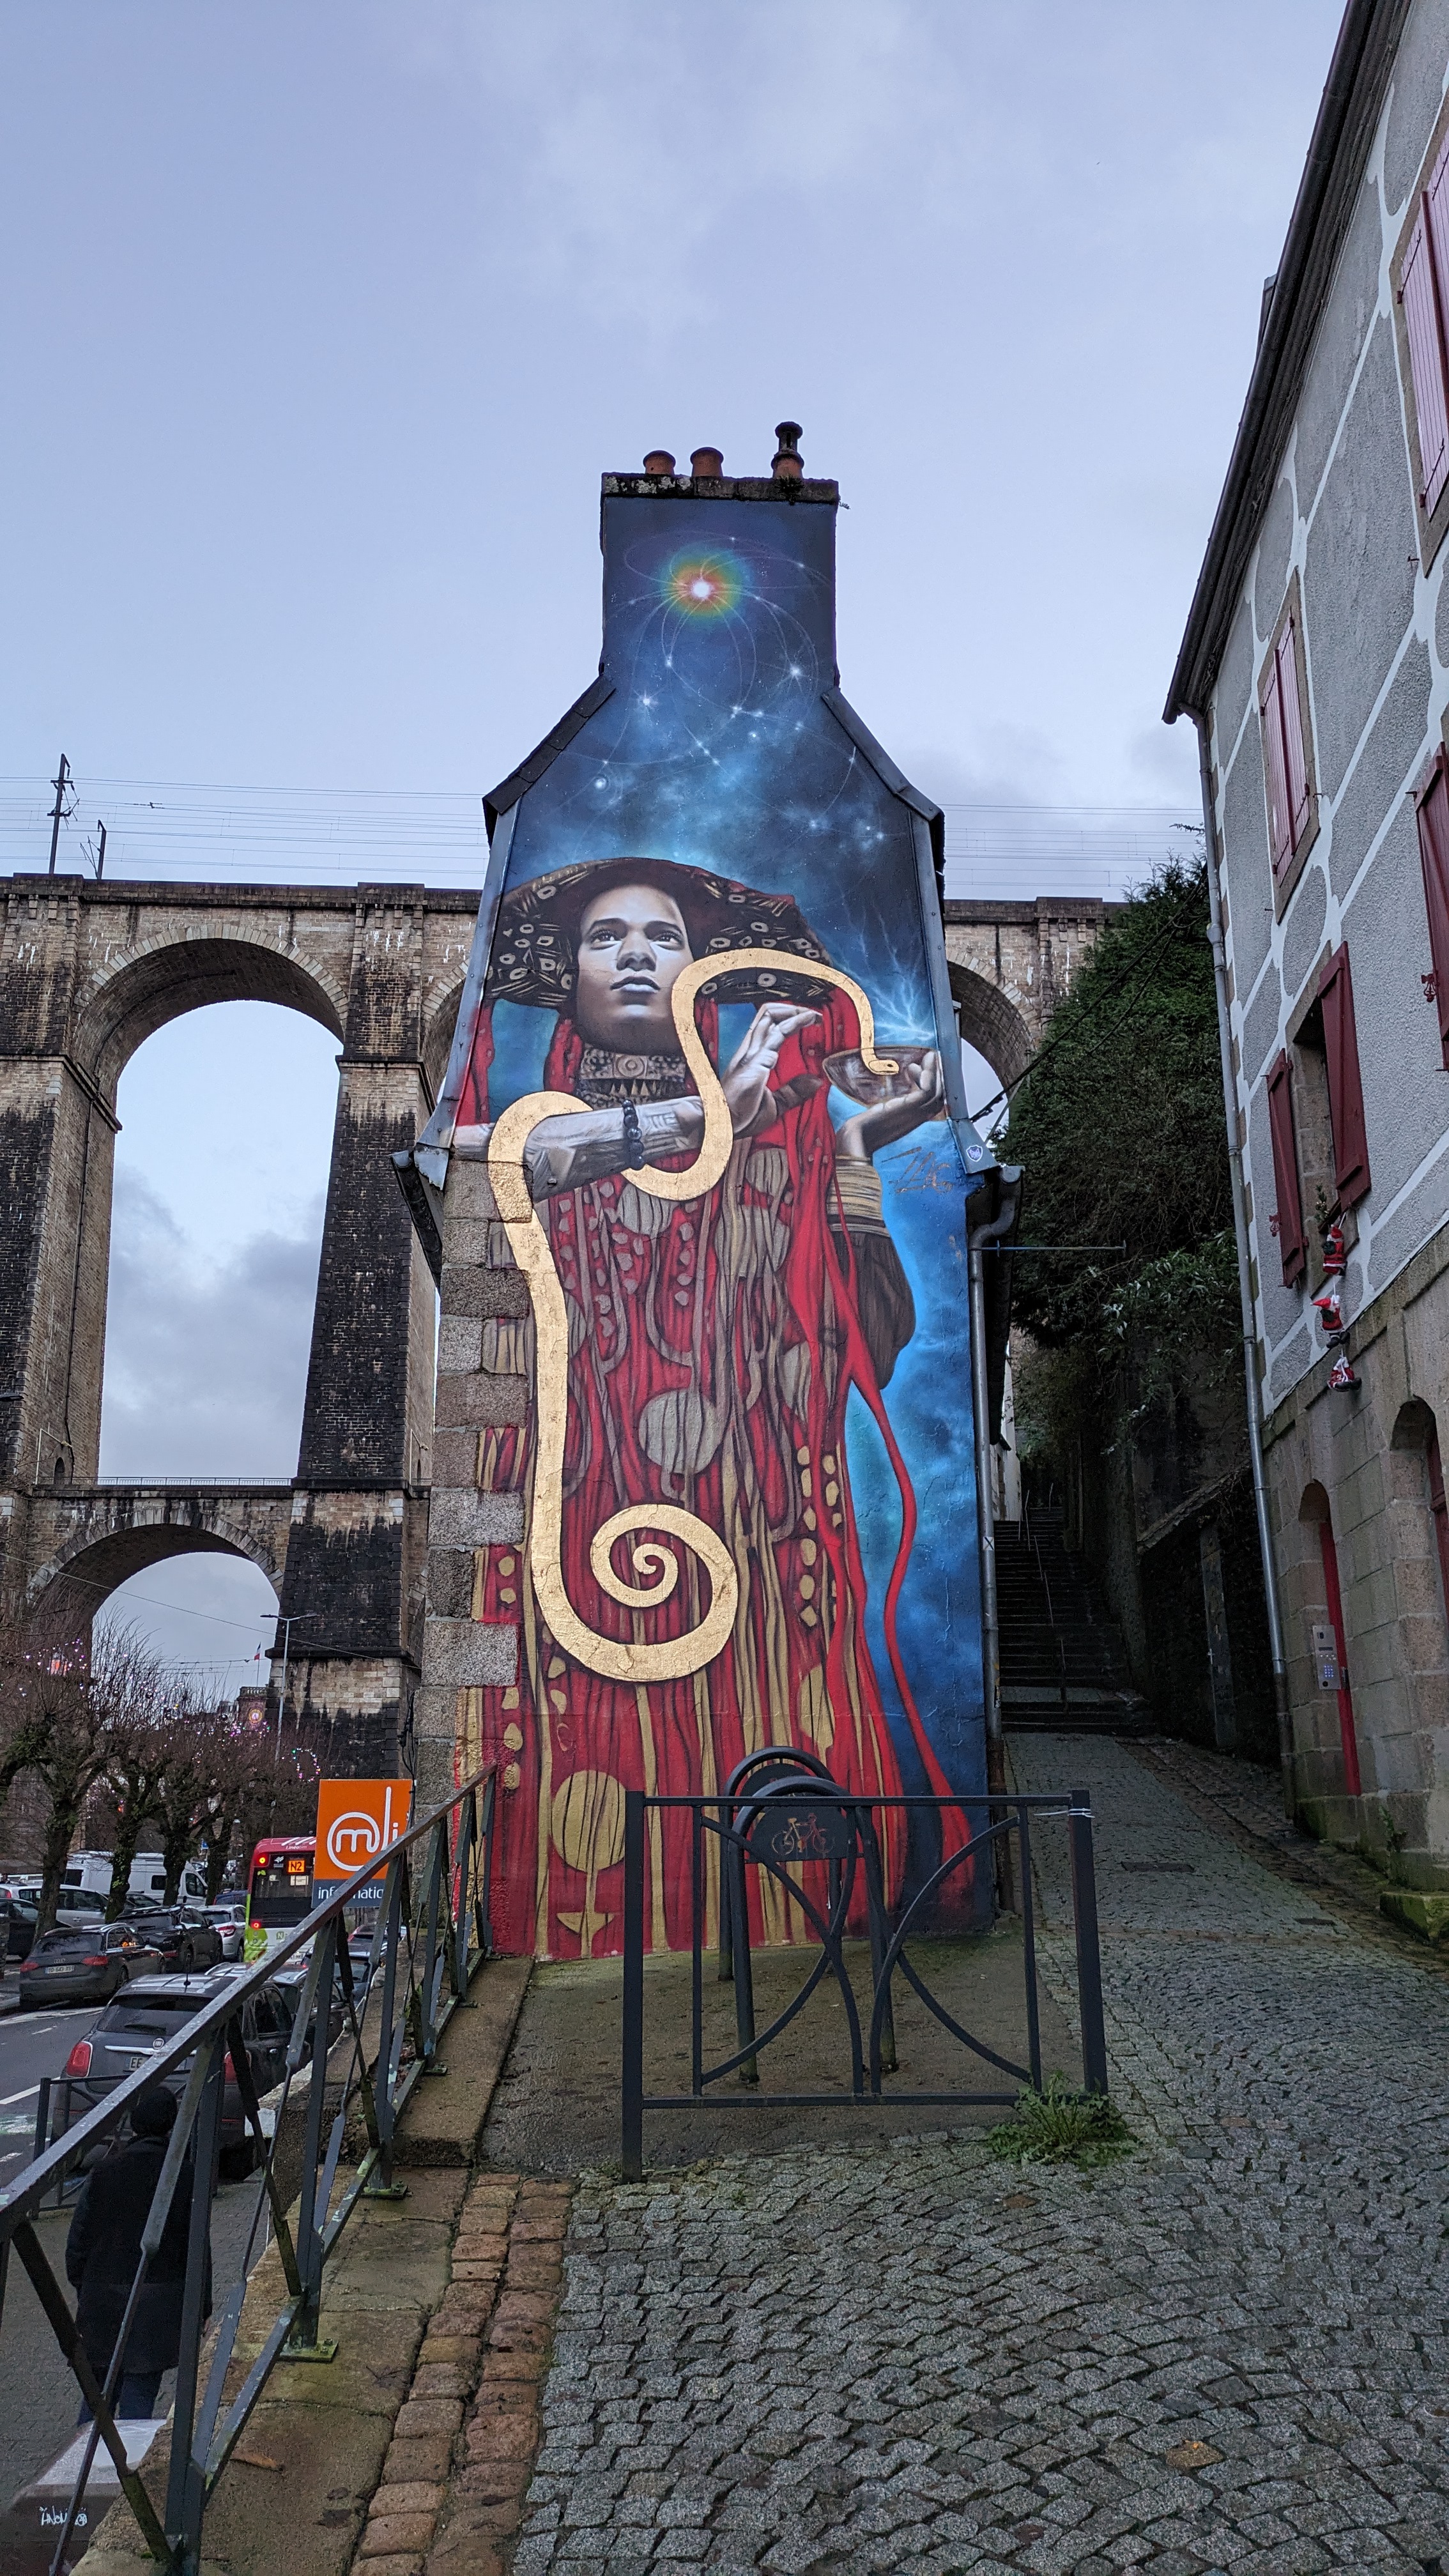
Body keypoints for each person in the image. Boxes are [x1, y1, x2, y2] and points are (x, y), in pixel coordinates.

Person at [455, 855, 956, 1959]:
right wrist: (709, 1114)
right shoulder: (541, 1123)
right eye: (606, 936)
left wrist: (853, 1146)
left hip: (761, 1559)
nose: (636, 953)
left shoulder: (782, 1144)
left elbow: (866, 1345)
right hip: (569, 1544)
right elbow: (488, 1164)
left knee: (763, 1782)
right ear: (570, 972)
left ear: (700, 973)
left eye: (664, 936)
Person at [65, 2083, 208, 2421]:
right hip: (158, 2304)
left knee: (97, 2396)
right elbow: (198, 2249)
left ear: (133, 2123)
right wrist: (201, 2307)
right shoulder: (186, 2177)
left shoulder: (103, 2173)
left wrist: (84, 2288)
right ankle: (127, 2455)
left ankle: (85, 2453)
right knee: (139, 2399)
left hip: (103, 2299)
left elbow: (78, 2243)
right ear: (172, 2125)